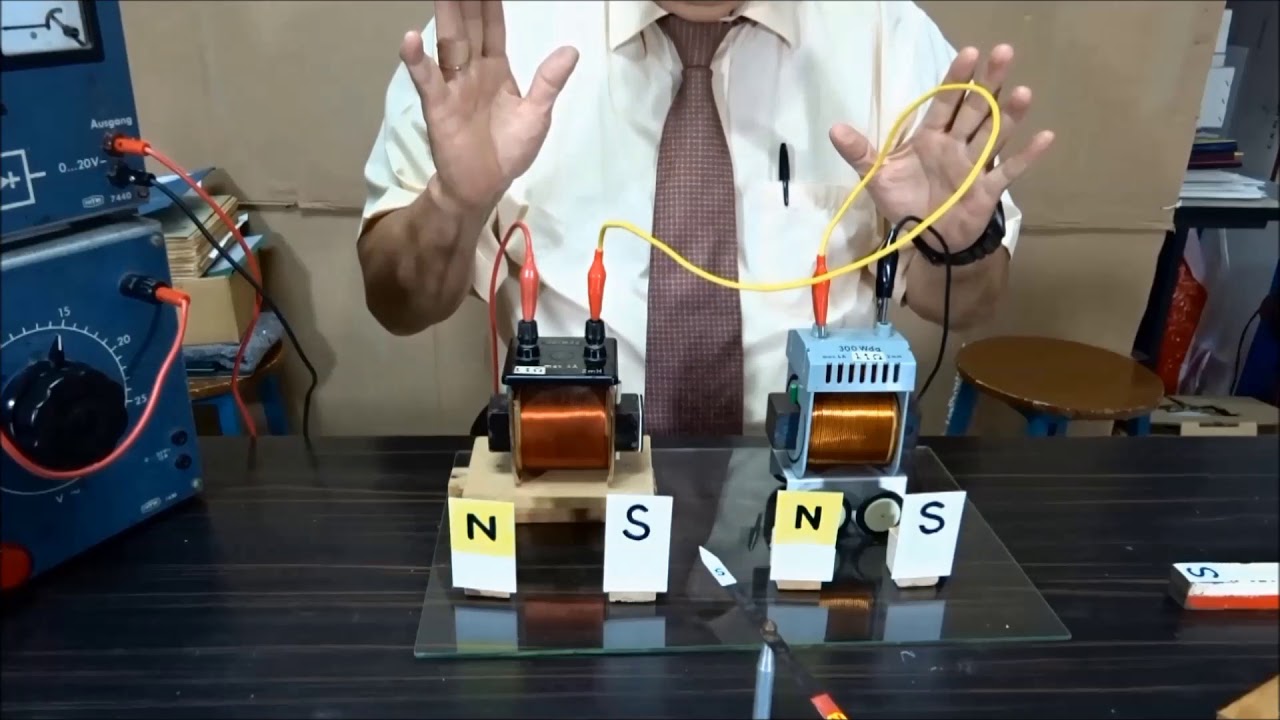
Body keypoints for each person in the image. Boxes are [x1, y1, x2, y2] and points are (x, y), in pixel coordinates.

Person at [357, 0, 1055, 437]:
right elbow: (398, 303)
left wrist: (954, 246)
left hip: (813, 476)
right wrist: (454, 204)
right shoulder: (496, 35)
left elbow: (972, 303)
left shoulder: (884, 33)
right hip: (569, 464)